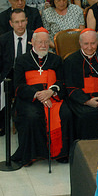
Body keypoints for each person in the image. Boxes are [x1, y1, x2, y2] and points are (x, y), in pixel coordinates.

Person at [12, 27, 65, 166]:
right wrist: (37, 94)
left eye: (46, 42)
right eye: (40, 42)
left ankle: (59, 153)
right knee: (31, 116)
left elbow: (62, 81)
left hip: (52, 97)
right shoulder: (22, 60)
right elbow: (18, 85)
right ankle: (31, 155)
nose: (43, 45)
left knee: (66, 114)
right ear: (32, 42)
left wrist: (51, 91)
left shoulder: (56, 59)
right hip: (29, 99)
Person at [59, 28, 98, 157]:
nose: (90, 47)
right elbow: (70, 87)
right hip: (80, 99)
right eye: (86, 44)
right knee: (87, 115)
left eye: (93, 43)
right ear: (80, 43)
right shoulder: (71, 61)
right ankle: (87, 153)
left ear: (97, 43)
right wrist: (87, 101)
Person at [0, 9, 32, 137]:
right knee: (3, 87)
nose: (20, 25)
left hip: (30, 75)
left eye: (22, 21)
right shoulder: (3, 40)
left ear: (27, 21)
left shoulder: (34, 37)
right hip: (9, 75)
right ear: (11, 23)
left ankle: (23, 122)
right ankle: (3, 124)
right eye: (16, 22)